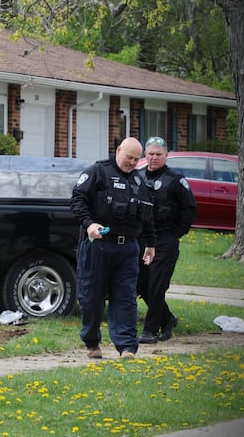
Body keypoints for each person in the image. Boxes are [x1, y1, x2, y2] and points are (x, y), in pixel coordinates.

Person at [70, 137, 156, 359]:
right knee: (92, 297)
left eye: (137, 160)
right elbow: (77, 201)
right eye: (129, 157)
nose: (132, 163)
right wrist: (89, 224)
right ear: (118, 151)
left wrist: (150, 244)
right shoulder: (97, 172)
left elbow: (147, 216)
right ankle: (91, 342)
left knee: (126, 297)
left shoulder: (139, 182)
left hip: (128, 249)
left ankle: (127, 347)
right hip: (97, 246)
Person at [136, 137, 197, 343]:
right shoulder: (137, 177)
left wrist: (176, 234)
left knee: (157, 284)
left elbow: (190, 209)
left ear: (166, 155)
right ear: (145, 155)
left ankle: (150, 330)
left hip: (165, 239)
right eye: (150, 154)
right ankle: (167, 319)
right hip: (142, 240)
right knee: (141, 283)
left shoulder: (176, 180)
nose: (154, 158)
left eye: (158, 154)